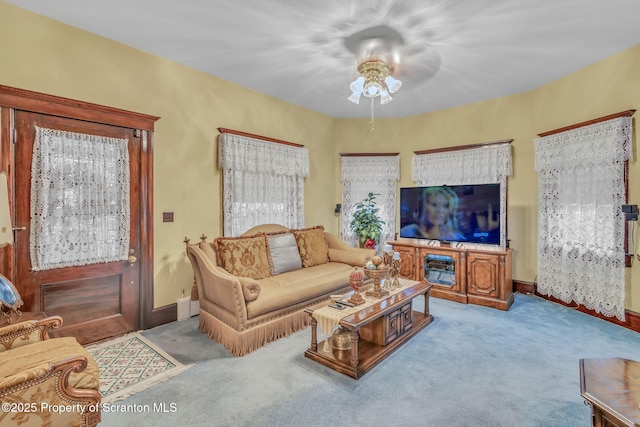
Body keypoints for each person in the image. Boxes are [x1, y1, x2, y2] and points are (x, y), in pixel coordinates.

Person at [400, 186, 466, 241]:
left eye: (446, 206)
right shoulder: (407, 232)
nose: (440, 211)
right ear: (423, 207)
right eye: (434, 205)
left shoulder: (457, 238)